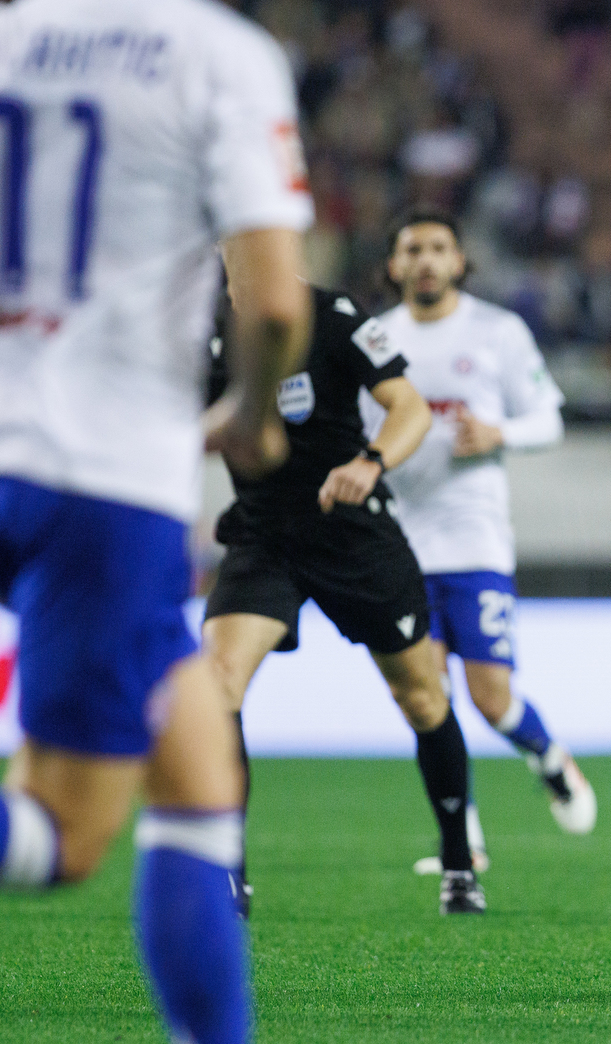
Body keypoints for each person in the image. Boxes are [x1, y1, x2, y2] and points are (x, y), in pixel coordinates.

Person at [0, 0, 313, 1038]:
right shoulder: (216, 52)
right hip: (99, 481)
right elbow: (270, 301)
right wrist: (253, 417)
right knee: (66, 838)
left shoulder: (0, 38)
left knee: (198, 754)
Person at [201, 283, 489, 916]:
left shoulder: (331, 316)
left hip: (352, 529)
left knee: (421, 696)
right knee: (217, 682)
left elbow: (407, 406)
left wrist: (371, 461)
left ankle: (460, 866)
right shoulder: (197, 325)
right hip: (262, 534)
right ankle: (227, 878)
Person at [371, 212, 595, 877]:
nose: (426, 260)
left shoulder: (497, 332)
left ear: (460, 260)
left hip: (476, 545)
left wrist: (498, 433)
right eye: (412, 249)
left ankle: (551, 760)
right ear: (394, 265)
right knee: (427, 700)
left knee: (491, 698)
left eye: (439, 248)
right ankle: (461, 841)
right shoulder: (375, 338)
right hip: (402, 549)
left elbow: (548, 419)